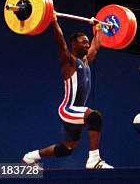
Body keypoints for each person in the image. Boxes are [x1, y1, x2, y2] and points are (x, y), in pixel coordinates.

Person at [22, 13, 113, 169]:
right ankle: (94, 160)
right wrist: (53, 21)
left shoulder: (86, 62)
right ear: (74, 45)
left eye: (87, 42)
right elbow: (60, 42)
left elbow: (96, 46)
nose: (86, 44)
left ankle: (30, 157)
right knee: (95, 117)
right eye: (83, 42)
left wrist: (99, 27)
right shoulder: (69, 61)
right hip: (68, 110)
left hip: (76, 113)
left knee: (66, 149)